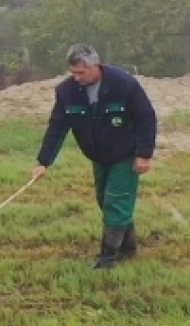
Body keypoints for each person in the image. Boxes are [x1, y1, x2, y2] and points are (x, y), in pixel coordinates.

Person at [31, 44, 157, 270]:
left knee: (116, 200)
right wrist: (43, 162)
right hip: (98, 156)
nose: (77, 78)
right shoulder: (66, 92)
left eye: (81, 72)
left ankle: (107, 259)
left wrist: (144, 155)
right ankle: (128, 248)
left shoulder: (124, 84)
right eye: (73, 73)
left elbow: (146, 118)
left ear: (95, 66)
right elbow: (57, 128)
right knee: (104, 200)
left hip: (124, 153)